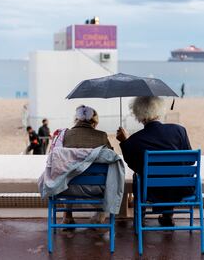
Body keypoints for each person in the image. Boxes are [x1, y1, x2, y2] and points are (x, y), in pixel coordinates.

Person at [116, 96, 193, 226]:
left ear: (140, 115)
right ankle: (168, 216)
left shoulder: (136, 139)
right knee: (171, 174)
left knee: (138, 177)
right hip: (182, 188)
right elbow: (190, 161)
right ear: (159, 110)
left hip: (152, 190)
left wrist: (124, 142)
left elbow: (133, 165)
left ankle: (140, 218)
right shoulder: (179, 130)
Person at [61, 105, 112, 225]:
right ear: (94, 122)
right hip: (96, 188)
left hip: (68, 188)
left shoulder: (65, 135)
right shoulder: (102, 136)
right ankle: (100, 216)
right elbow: (111, 159)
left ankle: (68, 215)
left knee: (67, 174)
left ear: (76, 119)